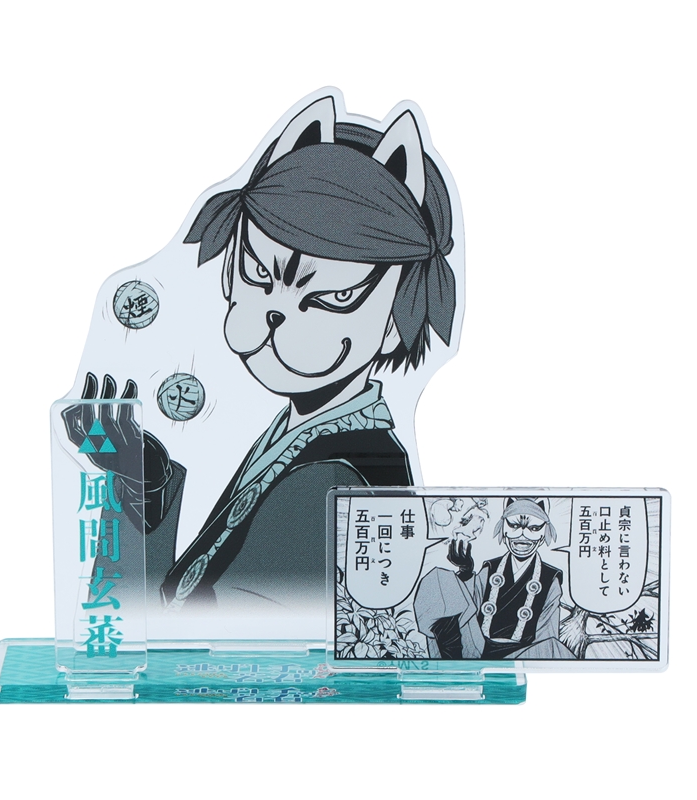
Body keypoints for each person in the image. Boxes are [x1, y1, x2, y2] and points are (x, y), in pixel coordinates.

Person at [66, 95, 460, 618]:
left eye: (335, 296)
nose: (280, 312)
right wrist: (146, 484)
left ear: (395, 321)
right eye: (258, 272)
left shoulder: (334, 476)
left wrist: (137, 498)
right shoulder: (304, 433)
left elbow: (190, 638)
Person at [414, 498, 576, 659]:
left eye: (534, 528)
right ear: (504, 529)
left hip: (523, 654)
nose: (522, 536)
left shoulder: (550, 578)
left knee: (552, 648)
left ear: (543, 533)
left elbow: (547, 633)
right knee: (440, 578)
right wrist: (466, 572)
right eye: (514, 526)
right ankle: (452, 657)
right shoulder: (490, 568)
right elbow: (469, 609)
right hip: (477, 649)